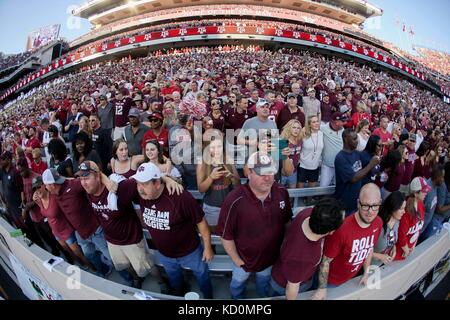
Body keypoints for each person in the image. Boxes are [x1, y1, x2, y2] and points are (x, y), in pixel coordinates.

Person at [216, 152, 293, 299]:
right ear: (249, 172)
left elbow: (287, 222)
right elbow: (226, 236)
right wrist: (237, 261)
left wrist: (284, 247)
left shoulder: (282, 192)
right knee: (237, 285)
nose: (268, 178)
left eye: (271, 172)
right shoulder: (234, 200)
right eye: (262, 173)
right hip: (243, 261)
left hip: (270, 259)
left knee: (263, 284)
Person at [131, 163, 214, 298]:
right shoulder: (141, 193)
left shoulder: (180, 197)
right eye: (138, 184)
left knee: (202, 275)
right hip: (166, 254)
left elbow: (201, 222)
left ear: (157, 183)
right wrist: (166, 178)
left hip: (190, 252)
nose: (140, 189)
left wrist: (208, 247)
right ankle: (179, 293)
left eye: (144, 184)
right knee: (175, 280)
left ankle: (208, 296)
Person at [75, 161, 158, 288]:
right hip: (112, 241)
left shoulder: (119, 187)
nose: (83, 183)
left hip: (131, 240)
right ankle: (136, 279)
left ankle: (162, 282)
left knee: (147, 267)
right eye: (81, 179)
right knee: (122, 265)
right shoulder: (88, 190)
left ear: (98, 177)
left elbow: (146, 179)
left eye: (86, 178)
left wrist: (168, 181)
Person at [312, 183, 383, 300]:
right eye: (365, 205)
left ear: (380, 202)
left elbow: (369, 248)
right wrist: (322, 288)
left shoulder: (378, 222)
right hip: (331, 282)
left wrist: (366, 272)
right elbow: (325, 261)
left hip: (350, 278)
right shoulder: (342, 229)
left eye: (375, 205)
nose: (370, 211)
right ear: (358, 203)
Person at [42, 167, 115, 277]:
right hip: (81, 234)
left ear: (52, 185)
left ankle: (129, 279)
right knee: (89, 255)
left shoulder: (73, 185)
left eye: (46, 185)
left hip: (95, 230)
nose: (45, 187)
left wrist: (108, 182)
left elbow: (95, 176)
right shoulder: (54, 194)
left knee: (111, 256)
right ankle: (103, 271)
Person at [271, 198, 345, 300]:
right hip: (285, 286)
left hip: (287, 270)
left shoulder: (307, 214)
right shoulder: (302, 258)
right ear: (331, 231)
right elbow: (292, 287)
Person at [32, 175, 96, 272]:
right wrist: (36, 201)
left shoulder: (54, 196)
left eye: (38, 186)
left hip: (66, 229)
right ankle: (82, 267)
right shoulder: (39, 200)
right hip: (56, 231)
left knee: (79, 253)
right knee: (69, 251)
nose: (37, 190)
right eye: (34, 188)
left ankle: (94, 269)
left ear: (45, 185)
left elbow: (65, 186)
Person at [196, 131, 240, 230]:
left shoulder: (227, 158)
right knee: (214, 236)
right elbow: (201, 189)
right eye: (213, 147)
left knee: (230, 234)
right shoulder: (202, 163)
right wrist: (211, 177)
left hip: (229, 206)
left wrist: (231, 176)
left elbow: (238, 184)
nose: (217, 150)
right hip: (212, 208)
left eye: (219, 147)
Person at [335, 129, 380, 215]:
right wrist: (371, 164)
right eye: (354, 139)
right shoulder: (340, 158)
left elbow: (366, 168)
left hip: (356, 202)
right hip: (344, 203)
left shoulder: (357, 153)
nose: (357, 141)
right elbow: (353, 178)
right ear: (346, 139)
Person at [395, 177, 430, 260]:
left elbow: (417, 231)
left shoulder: (421, 204)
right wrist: (407, 251)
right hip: (400, 252)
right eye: (424, 191)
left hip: (409, 249)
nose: (426, 193)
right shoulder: (406, 211)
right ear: (416, 193)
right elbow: (401, 235)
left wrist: (413, 246)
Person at [372, 191, 406, 266]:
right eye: (401, 209)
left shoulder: (397, 221)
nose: (404, 212)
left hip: (383, 265)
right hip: (369, 267)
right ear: (393, 207)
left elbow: (391, 239)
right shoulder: (377, 224)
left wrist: (393, 248)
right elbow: (363, 251)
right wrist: (380, 256)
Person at [319, 112, 346, 187]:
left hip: (340, 165)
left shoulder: (343, 130)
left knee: (338, 187)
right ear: (336, 122)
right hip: (327, 165)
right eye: (343, 121)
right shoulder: (323, 128)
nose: (345, 122)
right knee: (323, 187)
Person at [419, 165, 445, 241]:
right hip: (419, 230)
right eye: (442, 177)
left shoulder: (436, 186)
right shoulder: (425, 190)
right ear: (437, 177)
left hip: (426, 226)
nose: (443, 180)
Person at [298, 115, 323, 188]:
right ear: (309, 124)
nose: (316, 123)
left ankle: (309, 200)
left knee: (311, 192)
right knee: (299, 191)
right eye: (313, 122)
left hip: (315, 166)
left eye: (317, 121)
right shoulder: (304, 133)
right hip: (303, 166)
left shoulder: (321, 134)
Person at [280, 120, 303, 189]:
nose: (296, 130)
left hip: (294, 172)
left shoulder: (300, 140)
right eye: (294, 127)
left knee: (292, 194)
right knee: (280, 193)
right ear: (289, 128)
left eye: (298, 128)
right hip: (282, 173)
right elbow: (274, 157)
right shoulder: (282, 140)